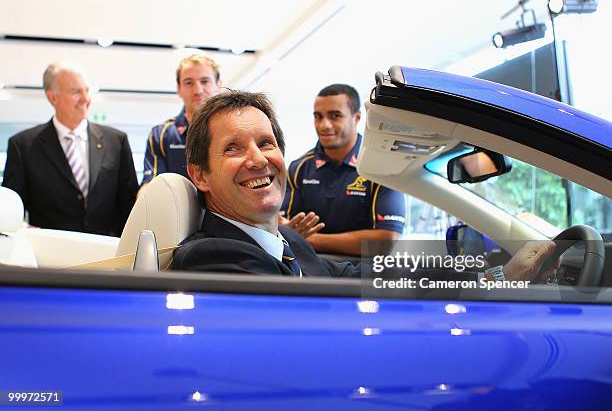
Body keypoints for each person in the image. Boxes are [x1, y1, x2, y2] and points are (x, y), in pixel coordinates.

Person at [171, 90, 556, 283]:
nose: (258, 159)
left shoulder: (285, 243)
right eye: (233, 148)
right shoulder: (216, 259)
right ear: (199, 174)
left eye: (266, 143)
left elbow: (366, 272)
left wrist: (487, 274)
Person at [2, 61, 138, 236]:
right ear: (53, 97)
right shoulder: (23, 146)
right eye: (76, 92)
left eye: (87, 90)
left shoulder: (117, 142)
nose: (85, 99)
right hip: (51, 257)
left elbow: (129, 207)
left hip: (107, 255)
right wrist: (27, 230)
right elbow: (10, 210)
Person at [280, 84, 406, 256]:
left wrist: (310, 239)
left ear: (357, 117)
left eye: (335, 116)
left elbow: (386, 241)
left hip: (362, 274)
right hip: (311, 271)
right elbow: (282, 227)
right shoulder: (299, 168)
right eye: (318, 116)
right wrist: (288, 232)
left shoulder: (382, 167)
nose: (324, 125)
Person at [140, 54, 222, 186]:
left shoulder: (233, 131)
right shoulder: (161, 135)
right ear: (178, 89)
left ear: (218, 85)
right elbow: (151, 186)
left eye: (205, 81)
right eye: (189, 83)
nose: (198, 90)